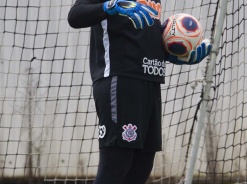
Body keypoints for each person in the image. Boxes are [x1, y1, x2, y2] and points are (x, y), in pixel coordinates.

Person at [68, 0, 211, 183]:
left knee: (140, 168)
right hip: (120, 80)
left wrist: (172, 54)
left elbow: (140, 38)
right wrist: (110, 6)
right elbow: (75, 16)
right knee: (116, 165)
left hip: (151, 81)